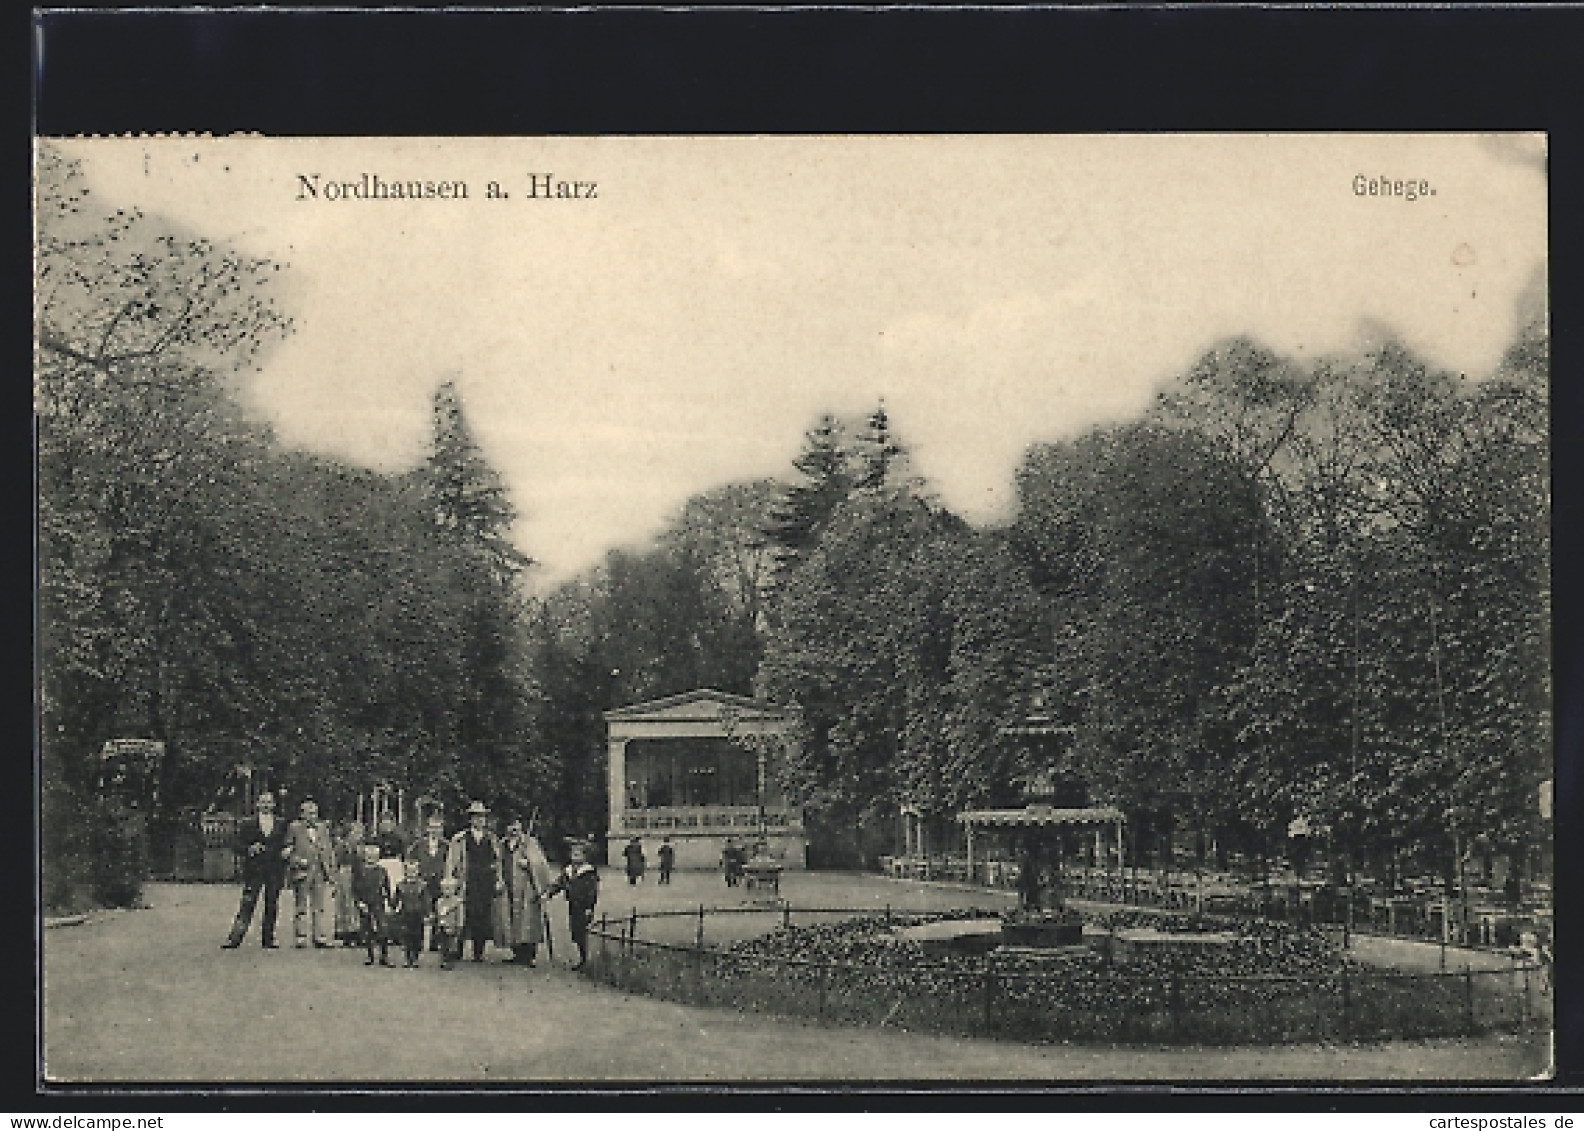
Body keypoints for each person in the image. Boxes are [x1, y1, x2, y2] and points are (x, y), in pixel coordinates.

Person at [222, 791, 289, 949]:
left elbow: (286, 843)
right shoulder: (248, 823)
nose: (266, 805)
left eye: (269, 802)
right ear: (257, 804)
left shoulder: (281, 823)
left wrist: (286, 851)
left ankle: (268, 938)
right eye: (263, 802)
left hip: (274, 869)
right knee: (248, 902)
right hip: (254, 869)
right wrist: (249, 849)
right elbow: (236, 844)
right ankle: (235, 938)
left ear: (274, 805)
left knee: (272, 904)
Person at [446, 800, 503, 962]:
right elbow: (452, 861)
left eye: (482, 817)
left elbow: (498, 861)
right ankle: (457, 950)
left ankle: (479, 952)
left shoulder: (492, 838)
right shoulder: (461, 839)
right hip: (467, 880)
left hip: (486, 882)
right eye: (476, 817)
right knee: (463, 915)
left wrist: (498, 879)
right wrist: (450, 879)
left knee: (483, 917)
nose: (479, 820)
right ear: (470, 819)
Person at [496, 819, 554, 966]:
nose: (513, 829)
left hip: (526, 888)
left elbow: (541, 864)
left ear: (520, 826)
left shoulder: (530, 842)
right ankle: (516, 953)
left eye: (515, 826)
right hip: (509, 887)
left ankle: (529, 955)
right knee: (511, 920)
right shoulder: (502, 844)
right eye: (510, 826)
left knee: (527, 921)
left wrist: (529, 864)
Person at [284, 797, 337, 947]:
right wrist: (298, 861)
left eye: (315, 813)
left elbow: (328, 849)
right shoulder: (294, 828)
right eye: (310, 813)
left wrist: (331, 870)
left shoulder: (322, 828)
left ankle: (319, 936)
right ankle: (300, 936)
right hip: (302, 871)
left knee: (319, 906)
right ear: (302, 814)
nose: (313, 817)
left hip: (319, 871)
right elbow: (287, 850)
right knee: (301, 905)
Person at [545, 839, 599, 971]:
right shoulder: (568, 871)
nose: (574, 856)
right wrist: (549, 893)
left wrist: (589, 907)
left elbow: (592, 892)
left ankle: (585, 958)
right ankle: (582, 957)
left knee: (582, 931)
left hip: (583, 906)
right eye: (573, 854)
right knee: (574, 930)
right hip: (572, 905)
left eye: (578, 854)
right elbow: (559, 884)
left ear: (585, 856)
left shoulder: (589, 873)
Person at [407, 813, 450, 951]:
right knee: (421, 912)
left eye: (438, 827)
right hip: (423, 883)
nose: (435, 830)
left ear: (442, 829)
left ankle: (436, 942)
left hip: (440, 883)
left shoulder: (447, 846)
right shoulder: (419, 845)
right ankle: (417, 943)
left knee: (440, 911)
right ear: (427, 828)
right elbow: (410, 860)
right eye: (432, 827)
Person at [352, 840, 394, 967]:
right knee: (367, 930)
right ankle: (370, 956)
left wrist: (390, 902)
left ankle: (384, 956)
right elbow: (355, 888)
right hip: (365, 903)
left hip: (378, 902)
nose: (371, 859)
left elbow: (387, 887)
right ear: (364, 857)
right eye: (369, 856)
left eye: (374, 857)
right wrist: (359, 902)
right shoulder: (360, 871)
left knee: (383, 928)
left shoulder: (382, 871)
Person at [391, 857, 433, 968]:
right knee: (406, 936)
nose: (411, 873)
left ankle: (415, 958)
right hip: (405, 913)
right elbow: (396, 899)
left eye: (414, 871)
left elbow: (426, 901)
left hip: (418, 914)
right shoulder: (401, 885)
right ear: (405, 871)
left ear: (418, 871)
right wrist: (393, 907)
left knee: (417, 936)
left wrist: (428, 913)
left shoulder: (422, 885)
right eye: (409, 871)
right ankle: (407, 958)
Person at [333, 820, 365, 946]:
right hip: (345, 874)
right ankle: (346, 932)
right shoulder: (342, 846)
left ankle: (357, 931)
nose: (358, 835)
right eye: (356, 832)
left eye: (360, 832)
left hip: (358, 874)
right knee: (345, 903)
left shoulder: (360, 848)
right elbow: (336, 863)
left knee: (356, 903)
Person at [434, 877, 464, 970]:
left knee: (452, 945)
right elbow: (437, 913)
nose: (447, 891)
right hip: (442, 926)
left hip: (452, 926)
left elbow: (460, 915)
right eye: (444, 889)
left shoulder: (457, 902)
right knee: (443, 945)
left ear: (454, 889)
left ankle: (450, 961)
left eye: (449, 889)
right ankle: (443, 960)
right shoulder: (439, 901)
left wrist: (459, 925)